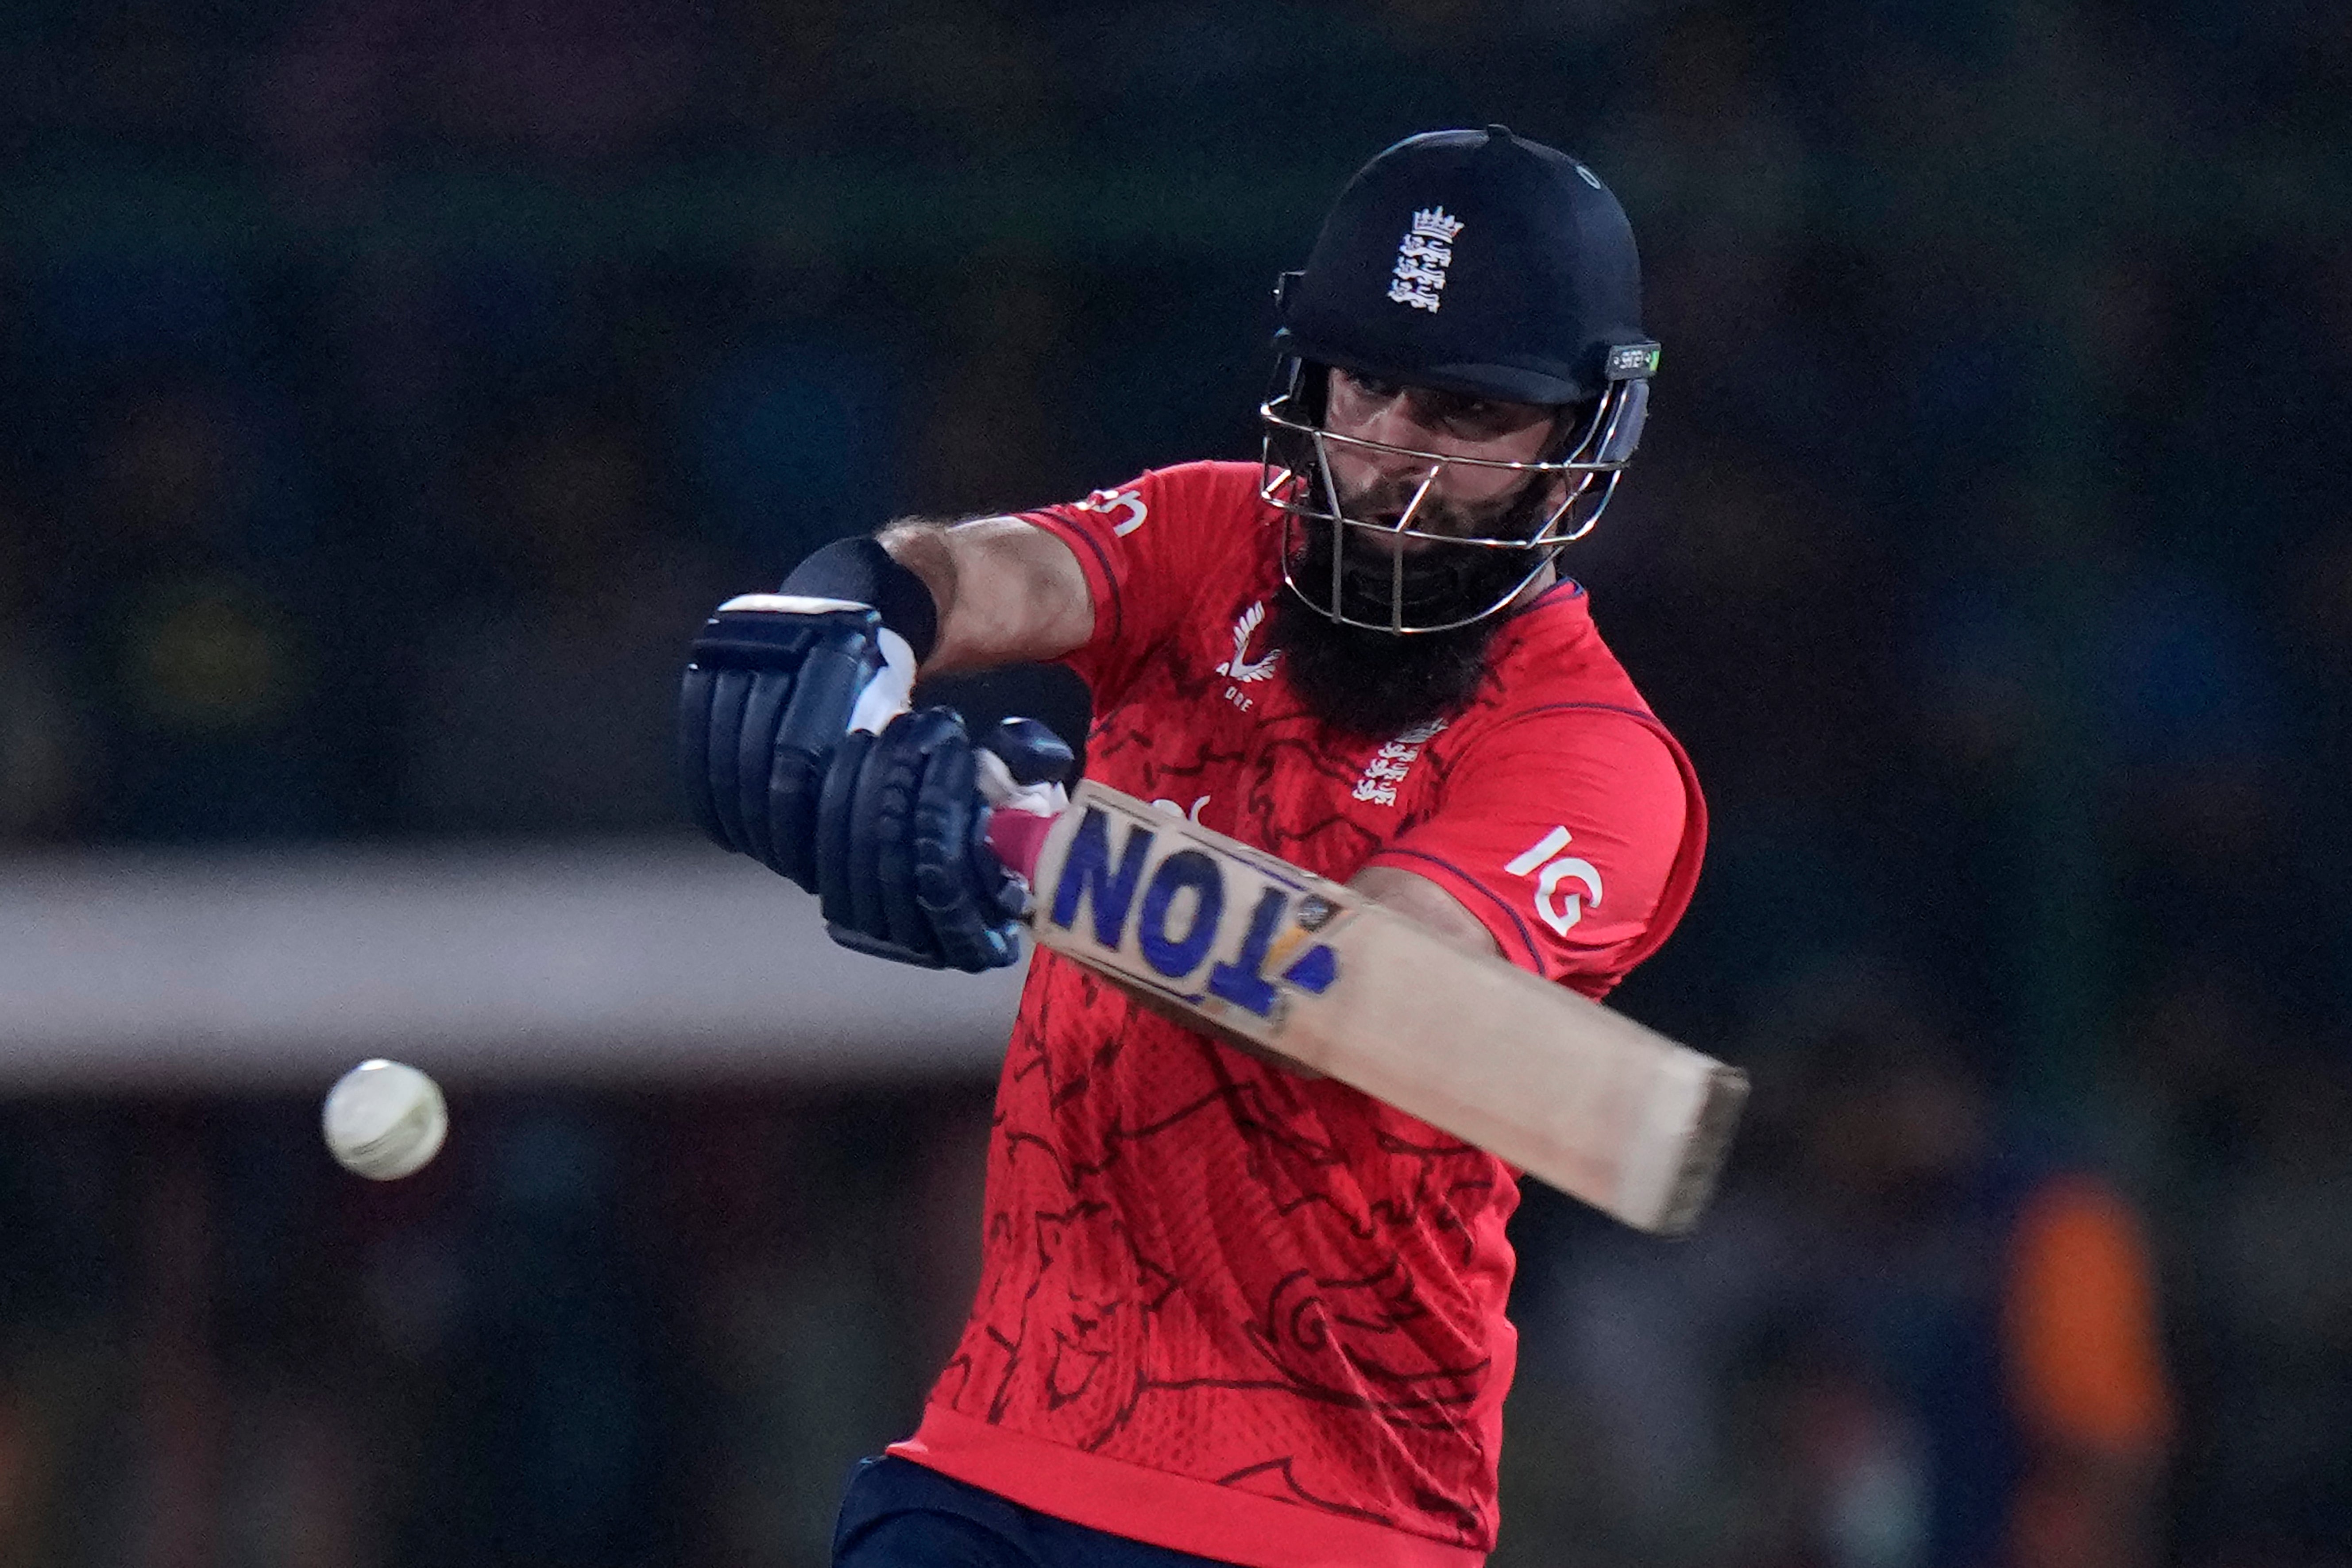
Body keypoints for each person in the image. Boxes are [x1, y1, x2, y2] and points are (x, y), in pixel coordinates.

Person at [680, 126, 1707, 1568]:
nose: (1394, 463)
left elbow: (1364, 991)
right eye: (1369, 387)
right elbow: (980, 571)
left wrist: (1028, 847)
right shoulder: (1214, 531)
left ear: (1578, 440)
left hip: (1326, 1513)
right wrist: (849, 632)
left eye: (1467, 415)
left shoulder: (1594, 754)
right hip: (989, 1461)